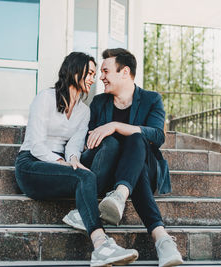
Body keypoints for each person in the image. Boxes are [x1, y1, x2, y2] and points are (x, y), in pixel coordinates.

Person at [15, 52, 138, 267]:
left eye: (94, 74)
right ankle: (101, 245)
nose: (93, 78)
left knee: (99, 157)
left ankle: (85, 216)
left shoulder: (84, 111)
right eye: (90, 73)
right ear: (74, 71)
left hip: (61, 163)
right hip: (31, 165)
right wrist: (63, 163)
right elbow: (36, 145)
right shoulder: (45, 98)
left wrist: (73, 160)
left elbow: (74, 144)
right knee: (84, 177)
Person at [63, 48, 183, 267]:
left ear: (124, 72)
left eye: (106, 71)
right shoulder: (99, 103)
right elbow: (89, 142)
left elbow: (157, 136)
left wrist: (115, 125)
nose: (101, 77)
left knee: (137, 140)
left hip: (145, 167)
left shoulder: (151, 99)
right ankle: (162, 239)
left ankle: (120, 194)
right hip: (108, 172)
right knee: (120, 146)